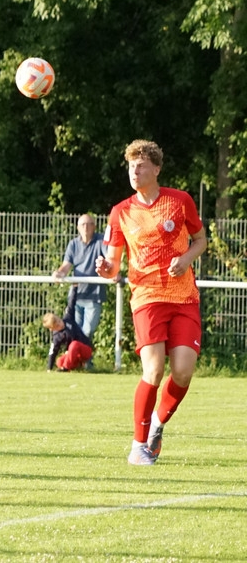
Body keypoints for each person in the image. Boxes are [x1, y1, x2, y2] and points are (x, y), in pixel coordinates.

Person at [95, 139, 207, 467]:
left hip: (184, 298)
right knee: (154, 369)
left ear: (156, 169)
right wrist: (106, 269)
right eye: (131, 166)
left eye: (141, 165)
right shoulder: (120, 212)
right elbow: (113, 266)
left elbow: (201, 240)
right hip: (146, 298)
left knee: (183, 371)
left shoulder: (180, 201)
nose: (135, 171)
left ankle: (157, 423)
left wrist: (186, 259)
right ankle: (137, 446)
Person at [52, 213, 108, 341]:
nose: (86, 227)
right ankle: (79, 354)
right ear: (78, 228)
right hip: (76, 295)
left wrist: (112, 271)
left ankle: (81, 352)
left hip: (94, 296)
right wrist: (59, 273)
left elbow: (109, 259)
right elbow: (66, 266)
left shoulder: (101, 241)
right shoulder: (73, 244)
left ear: (94, 226)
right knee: (75, 332)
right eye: (83, 225)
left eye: (89, 224)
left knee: (87, 331)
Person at [43, 292, 94, 372]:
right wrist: (49, 368)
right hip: (73, 354)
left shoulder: (68, 318)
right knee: (59, 361)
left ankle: (66, 368)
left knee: (74, 344)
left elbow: (71, 302)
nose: (60, 324)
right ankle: (77, 366)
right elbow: (53, 351)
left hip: (85, 349)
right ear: (52, 329)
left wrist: (74, 287)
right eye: (57, 326)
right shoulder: (57, 337)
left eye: (59, 321)